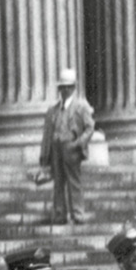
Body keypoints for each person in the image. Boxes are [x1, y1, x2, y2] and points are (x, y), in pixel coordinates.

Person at [39, 68, 95, 224]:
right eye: (62, 87)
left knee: (74, 182)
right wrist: (45, 156)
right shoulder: (53, 110)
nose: (64, 90)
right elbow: (47, 134)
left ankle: (78, 214)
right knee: (58, 183)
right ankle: (59, 214)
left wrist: (79, 143)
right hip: (56, 148)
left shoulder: (80, 107)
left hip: (71, 147)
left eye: (68, 87)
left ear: (73, 88)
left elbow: (90, 127)